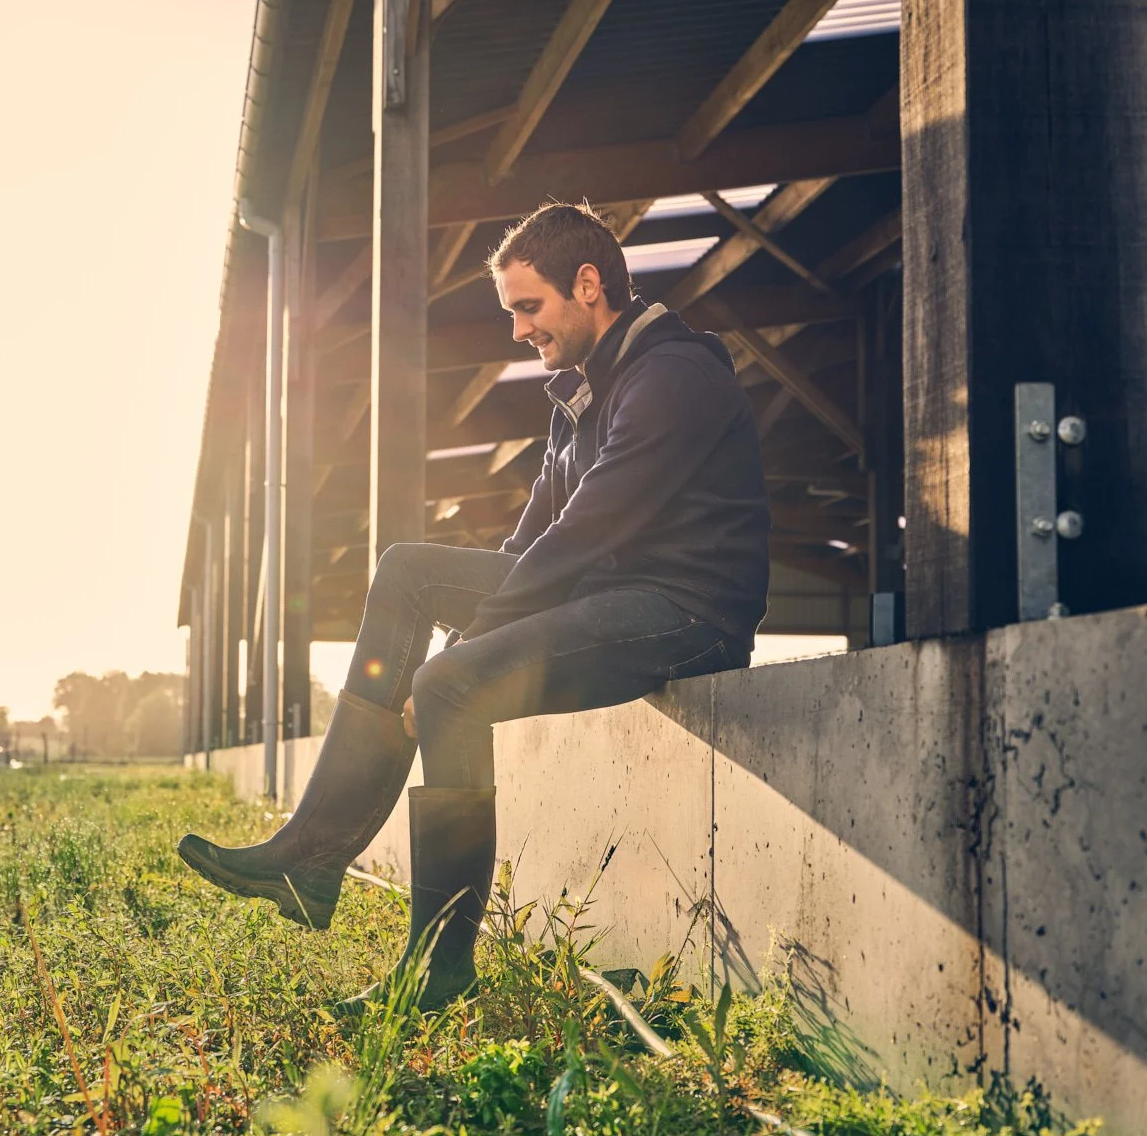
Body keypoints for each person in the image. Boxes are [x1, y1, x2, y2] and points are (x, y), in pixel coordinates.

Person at [178, 200, 772, 1011]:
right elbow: (528, 547)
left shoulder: (673, 376)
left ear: (588, 285)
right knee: (407, 571)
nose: (518, 330)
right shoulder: (578, 398)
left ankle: (440, 969)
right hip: (611, 589)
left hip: (686, 613)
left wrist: (456, 658)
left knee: (451, 686)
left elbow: (586, 534)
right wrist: (457, 640)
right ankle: (310, 855)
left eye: (528, 307)